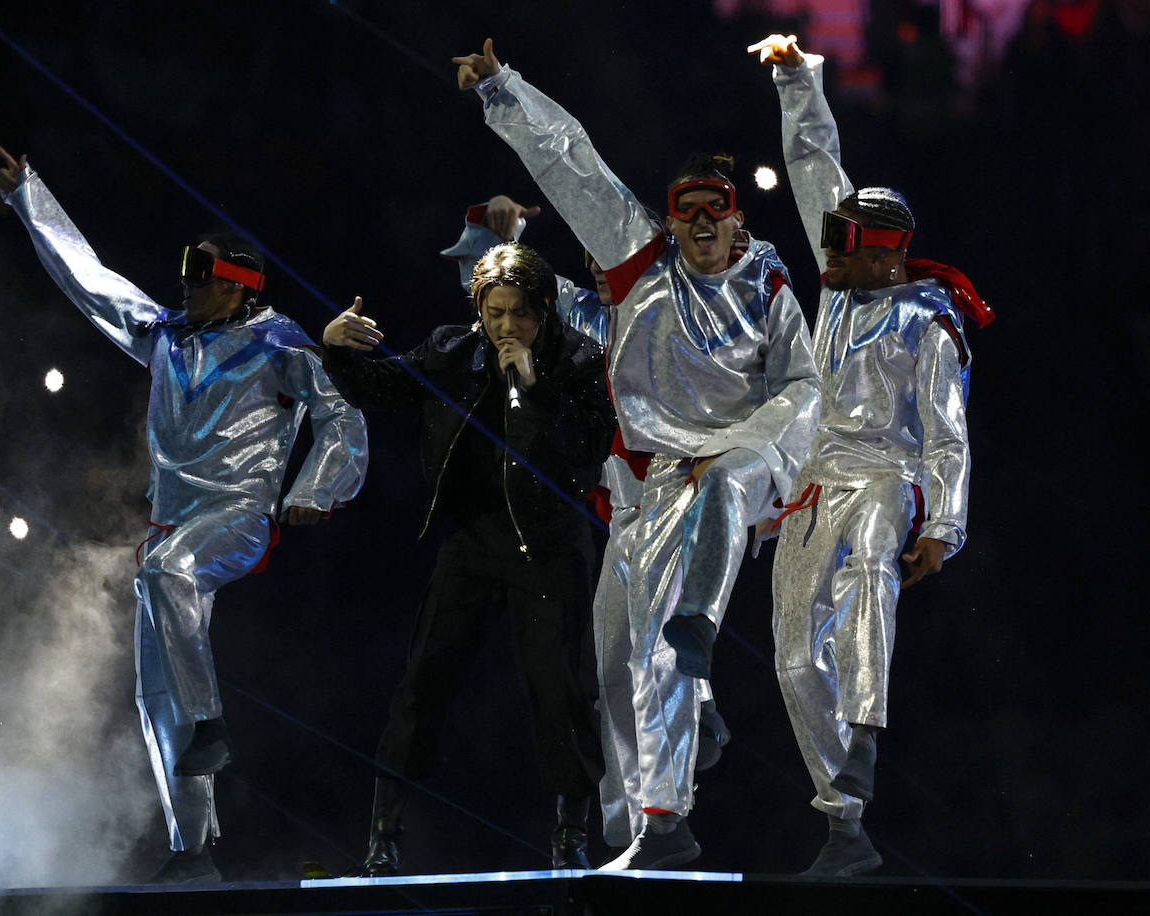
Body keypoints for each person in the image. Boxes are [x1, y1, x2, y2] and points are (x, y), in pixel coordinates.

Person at [454, 40, 821, 870]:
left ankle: (668, 810)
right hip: (640, 495)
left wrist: (752, 454)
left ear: (736, 219)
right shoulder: (634, 268)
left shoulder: (769, 290)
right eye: (684, 209)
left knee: (665, 635)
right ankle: (638, 828)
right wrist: (503, 90)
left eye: (713, 211)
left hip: (725, 475)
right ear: (668, 216)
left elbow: (802, 387)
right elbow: (571, 161)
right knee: (616, 659)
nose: (698, 223)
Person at [0, 147, 368, 883]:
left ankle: (208, 729)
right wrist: (29, 197)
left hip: (237, 517)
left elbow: (340, 412)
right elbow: (92, 283)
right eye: (188, 277)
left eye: (201, 280)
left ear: (235, 288)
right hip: (173, 525)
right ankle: (190, 846)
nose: (187, 288)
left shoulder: (277, 341)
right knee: (153, 686)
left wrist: (315, 490)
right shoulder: (166, 335)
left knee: (168, 574)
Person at [750, 35, 993, 877]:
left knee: (865, 591)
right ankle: (844, 825)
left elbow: (947, 433)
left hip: (887, 478)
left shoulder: (926, 322)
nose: (834, 251)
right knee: (789, 655)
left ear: (886, 248)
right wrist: (793, 76)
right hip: (815, 484)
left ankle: (861, 755)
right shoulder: (836, 293)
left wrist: (946, 528)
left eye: (848, 242)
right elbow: (818, 163)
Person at [444, 200, 733, 855]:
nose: (602, 273)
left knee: (659, 657)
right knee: (606, 672)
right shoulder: (580, 317)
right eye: (591, 263)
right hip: (626, 515)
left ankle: (683, 763)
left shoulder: (683, 313)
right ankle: (630, 822)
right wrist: (499, 236)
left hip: (683, 503)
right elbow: (496, 294)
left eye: (616, 261)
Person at [322, 242, 614, 874]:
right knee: (421, 686)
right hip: (473, 542)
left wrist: (533, 389)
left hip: (547, 545)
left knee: (560, 692)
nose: (506, 327)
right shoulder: (453, 349)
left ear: (545, 310)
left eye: (520, 314)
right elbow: (380, 385)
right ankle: (383, 838)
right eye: (495, 312)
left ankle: (571, 838)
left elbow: (583, 461)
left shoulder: (581, 360)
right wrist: (337, 346)